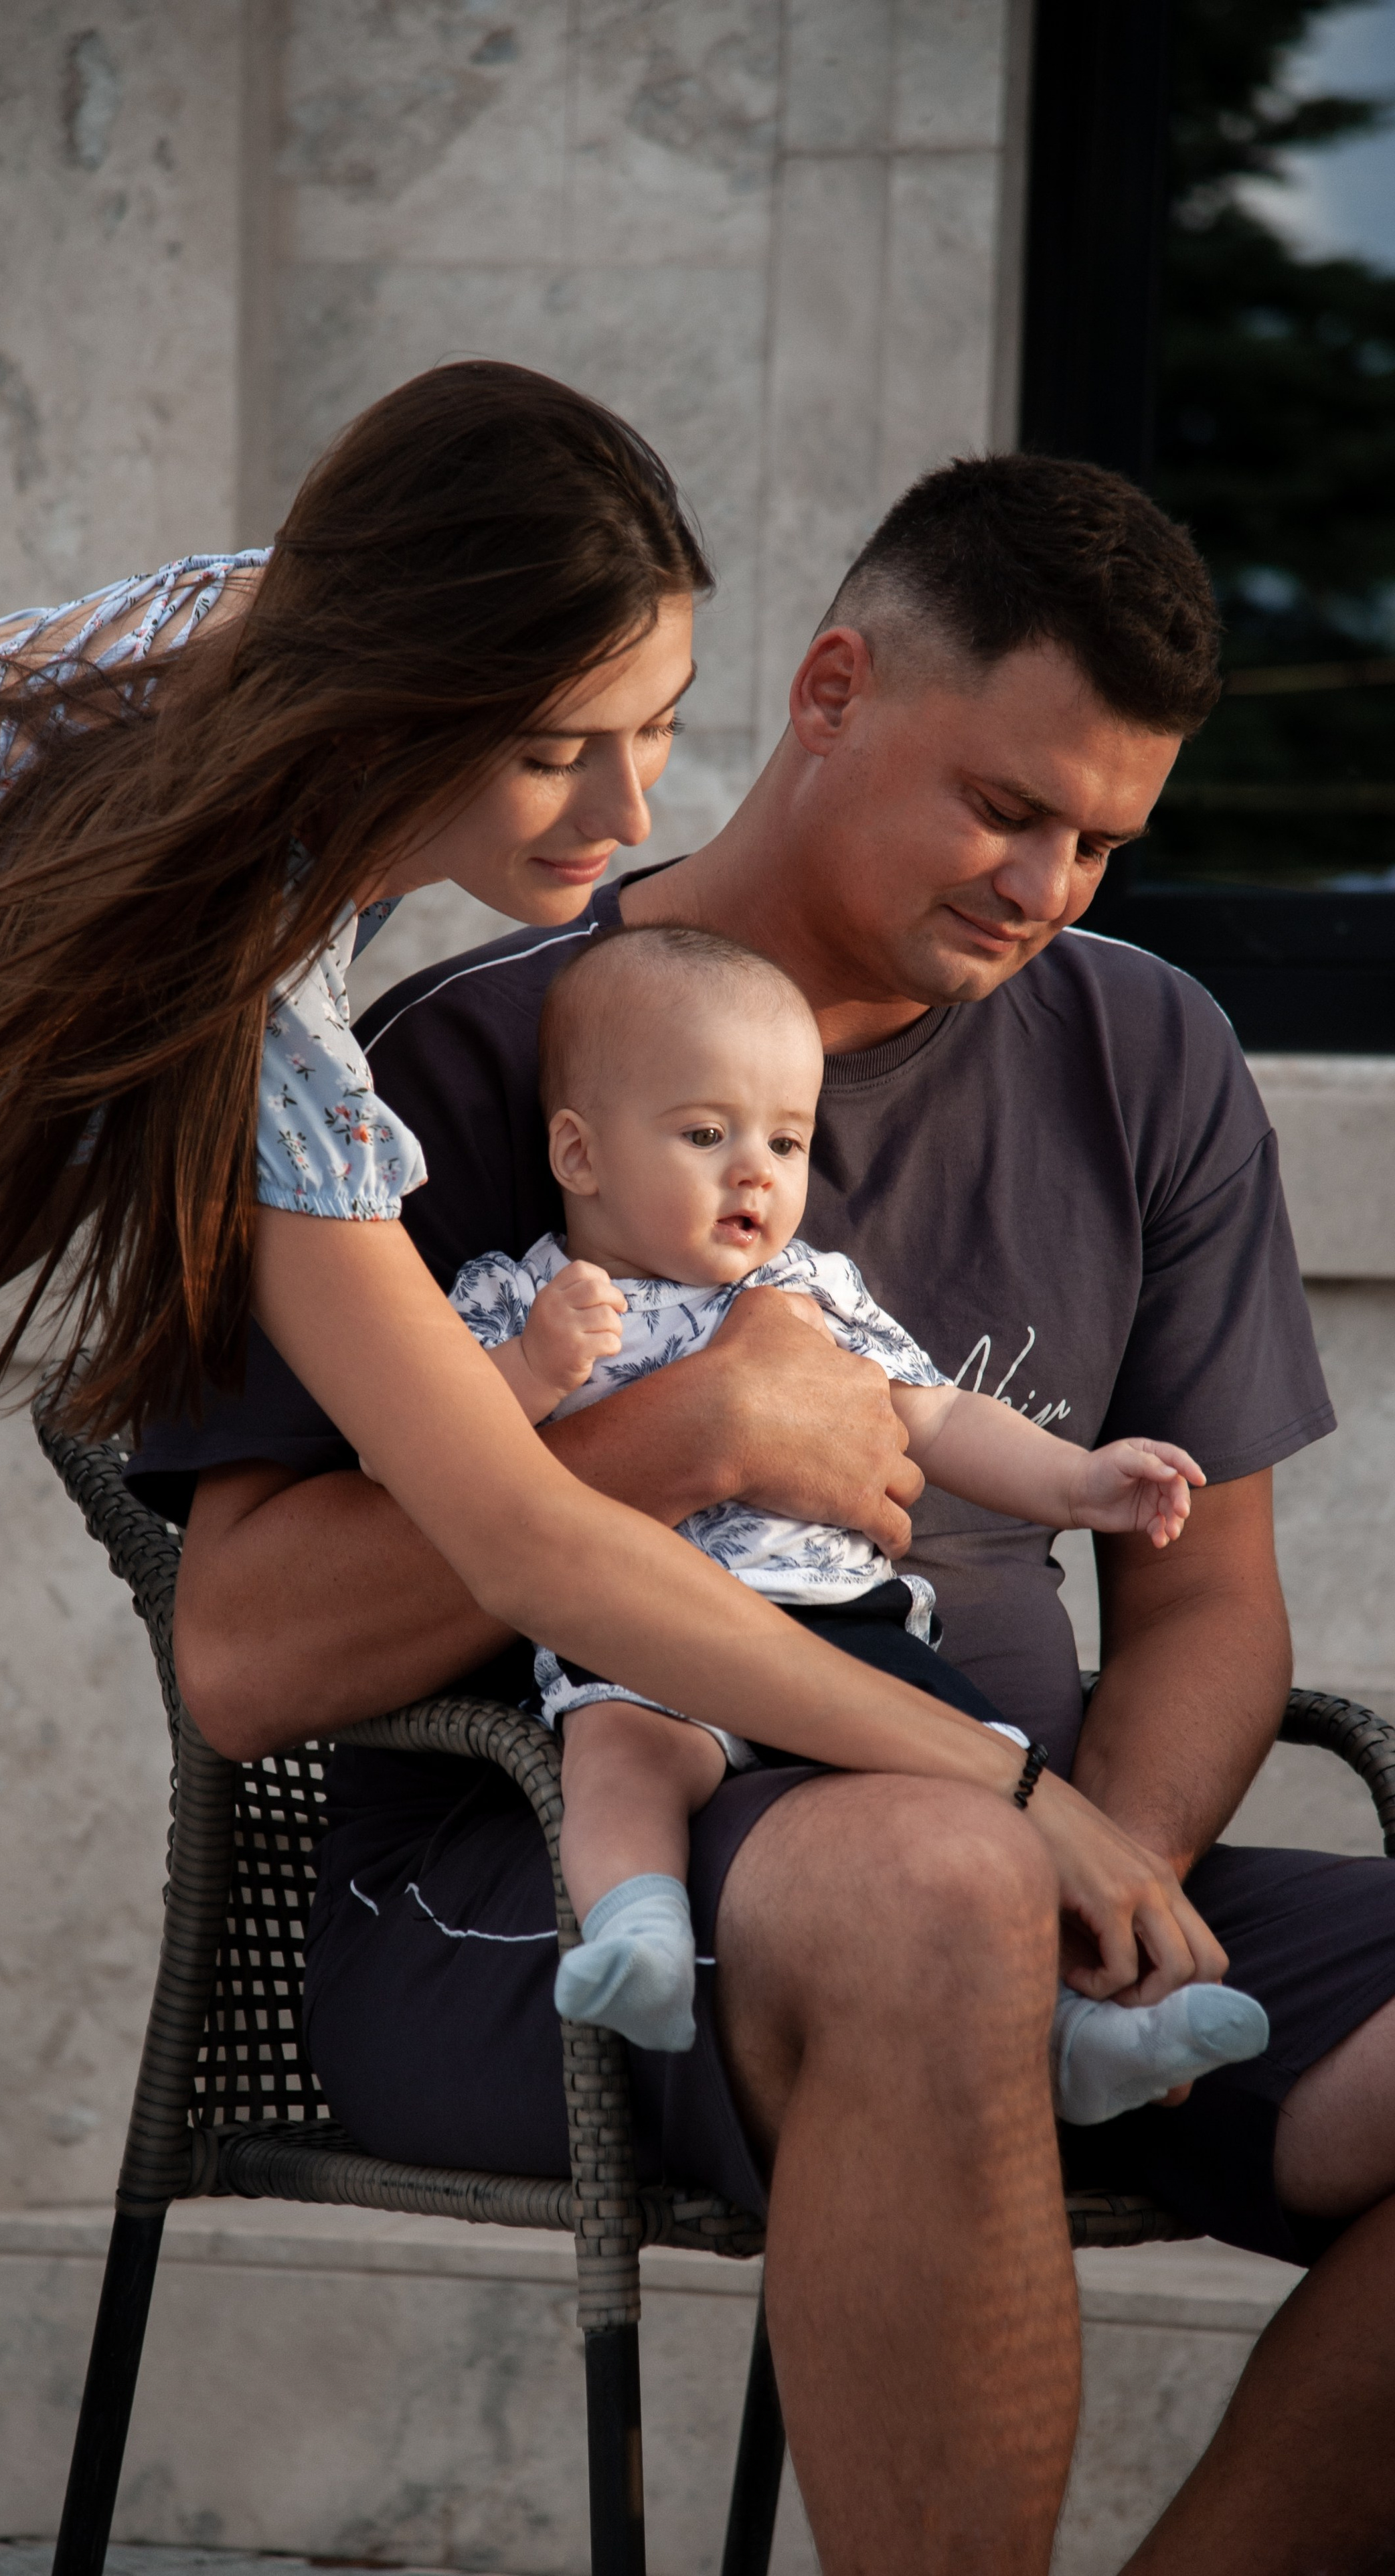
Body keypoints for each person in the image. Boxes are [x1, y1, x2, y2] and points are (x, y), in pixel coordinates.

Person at [0, 371, 1196, 2576]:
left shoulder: (246, 697)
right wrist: (1012, 1782)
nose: (624, 799)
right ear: (395, 686)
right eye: (550, 740)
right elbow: (525, 1525)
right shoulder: (235, 948)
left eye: (657, 721)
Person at [153, 453, 1395, 2575]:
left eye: (1105, 839)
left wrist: (1108, 1875)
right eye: (1008, 806)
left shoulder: (1149, 1055)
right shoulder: (454, 1070)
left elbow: (1208, 1611)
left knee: (959, 1884)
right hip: (538, 1885)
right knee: (937, 1888)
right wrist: (698, 1431)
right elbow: (247, 1653)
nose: (1049, 883)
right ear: (830, 689)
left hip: (1024, 1843)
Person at [455, 917, 1269, 2119]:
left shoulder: (812, 1291)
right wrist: (530, 1370)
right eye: (704, 1134)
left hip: (853, 1635)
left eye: (786, 1141)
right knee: (618, 1757)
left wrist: (1081, 1481)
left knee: (994, 1795)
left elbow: (939, 1419)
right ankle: (638, 1941)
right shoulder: (524, 1294)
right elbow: (430, 1451)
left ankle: (1076, 2031)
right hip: (643, 1632)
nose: (756, 1173)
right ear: (578, 1153)